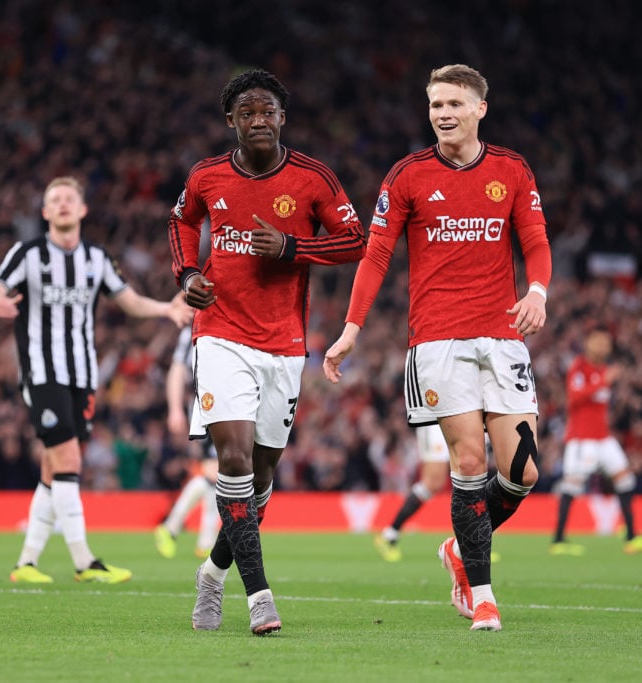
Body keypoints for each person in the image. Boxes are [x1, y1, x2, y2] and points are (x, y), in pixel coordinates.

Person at [324, 64, 552, 632]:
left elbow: (536, 241)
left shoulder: (511, 170)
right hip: (438, 342)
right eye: (435, 105)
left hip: (502, 338)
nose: (443, 113)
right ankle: (483, 596)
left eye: (454, 103)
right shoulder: (406, 175)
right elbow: (376, 255)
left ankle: (458, 547)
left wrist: (539, 291)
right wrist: (352, 328)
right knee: (468, 464)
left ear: (480, 108)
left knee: (522, 472)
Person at [169, 69, 366, 635]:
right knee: (231, 458)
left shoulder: (312, 178)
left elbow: (357, 241)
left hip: (283, 345)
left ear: (283, 118)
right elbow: (181, 220)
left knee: (259, 480)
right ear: (231, 120)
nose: (259, 120)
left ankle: (211, 573)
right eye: (248, 112)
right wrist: (187, 274)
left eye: (269, 112)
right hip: (220, 333)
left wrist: (293, 247)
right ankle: (260, 598)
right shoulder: (206, 175)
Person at [0, 176, 192, 584]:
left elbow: (126, 299)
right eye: (53, 200)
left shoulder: (95, 257)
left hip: (82, 375)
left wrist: (166, 309)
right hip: (43, 373)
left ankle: (26, 564)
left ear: (82, 210)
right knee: (70, 460)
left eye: (68, 199)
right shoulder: (28, 254)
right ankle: (84, 561)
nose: (61, 205)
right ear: (44, 212)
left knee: (51, 466)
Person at [551, 326, 642, 555]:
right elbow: (574, 398)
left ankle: (632, 538)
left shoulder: (603, 369)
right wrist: (604, 381)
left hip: (604, 438)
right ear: (588, 343)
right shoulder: (579, 367)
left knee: (625, 480)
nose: (603, 346)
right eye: (598, 341)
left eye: (606, 342)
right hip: (582, 439)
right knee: (572, 486)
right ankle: (558, 541)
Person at [153, 324, 221, 559]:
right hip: (208, 403)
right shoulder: (194, 329)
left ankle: (194, 537)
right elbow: (177, 368)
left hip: (228, 402)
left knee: (217, 473)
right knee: (215, 470)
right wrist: (175, 409)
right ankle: (188, 534)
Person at [373, 424, 449, 562]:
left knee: (472, 473)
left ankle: (474, 546)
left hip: (467, 415)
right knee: (433, 483)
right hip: (437, 418)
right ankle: (390, 534)